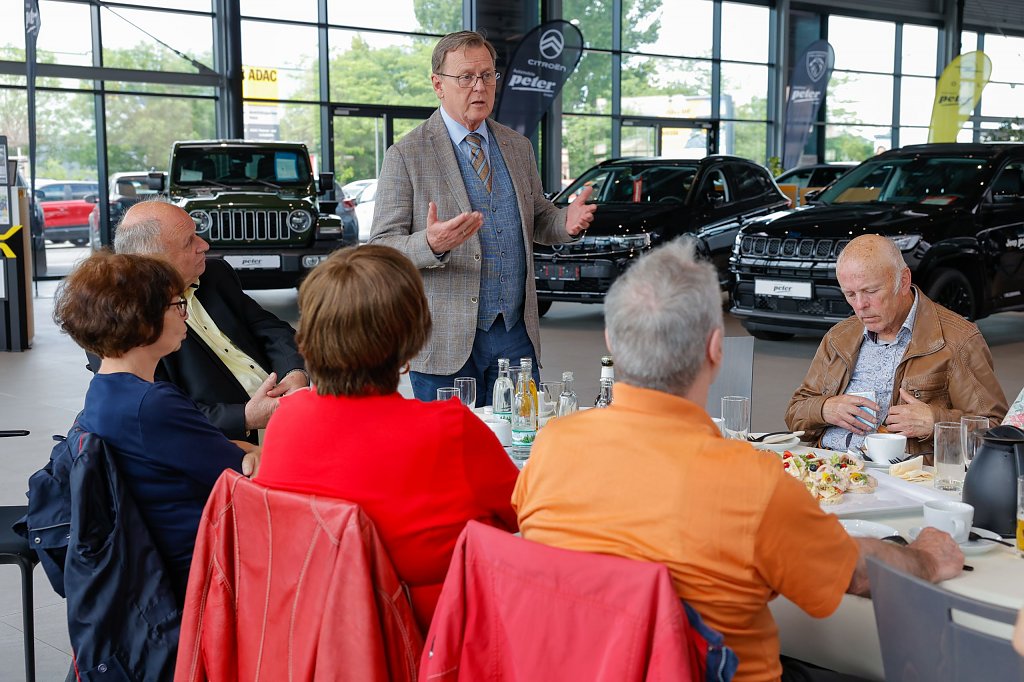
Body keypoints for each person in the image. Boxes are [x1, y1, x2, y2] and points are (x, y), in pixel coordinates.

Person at [511, 239, 964, 682]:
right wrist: (924, 557)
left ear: (611, 340)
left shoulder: (551, 448)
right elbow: (857, 575)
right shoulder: (753, 484)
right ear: (715, 349)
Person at [255, 245, 520, 632]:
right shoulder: (449, 429)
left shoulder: (286, 420)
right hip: (430, 641)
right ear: (411, 338)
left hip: (315, 635)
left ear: (308, 337)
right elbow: (521, 510)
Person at [369, 30, 596, 404]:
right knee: (450, 443)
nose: (480, 86)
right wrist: (430, 244)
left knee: (521, 435)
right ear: (438, 85)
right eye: (466, 77)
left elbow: (538, 218)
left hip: (515, 334)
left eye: (487, 75)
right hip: (444, 342)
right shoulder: (407, 154)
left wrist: (565, 223)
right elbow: (380, 249)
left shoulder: (517, 146)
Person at [53, 252, 259, 601]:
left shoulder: (103, 393)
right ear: (142, 319)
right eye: (177, 304)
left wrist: (241, 451)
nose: (184, 314)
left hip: (151, 565)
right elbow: (242, 472)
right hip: (199, 569)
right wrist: (254, 450)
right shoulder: (153, 403)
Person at [786, 234, 1007, 456]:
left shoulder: (958, 340)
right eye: (850, 294)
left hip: (897, 471)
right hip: (824, 462)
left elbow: (996, 431)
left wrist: (936, 422)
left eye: (871, 291)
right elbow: (795, 412)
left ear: (903, 281)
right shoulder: (839, 337)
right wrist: (825, 409)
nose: (860, 305)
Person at [108, 199, 309, 443]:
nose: (204, 245)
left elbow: (272, 329)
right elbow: (158, 418)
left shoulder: (214, 275)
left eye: (197, 234)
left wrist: (295, 372)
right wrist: (244, 417)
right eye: (189, 241)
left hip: (290, 414)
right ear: (153, 260)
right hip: (230, 443)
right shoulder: (120, 323)